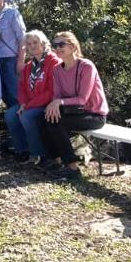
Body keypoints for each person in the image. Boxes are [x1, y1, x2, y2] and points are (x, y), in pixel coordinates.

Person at [41, 31, 108, 180]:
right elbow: (57, 95)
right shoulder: (57, 70)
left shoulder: (86, 66)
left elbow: (83, 99)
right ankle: (55, 161)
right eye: (55, 45)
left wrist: (59, 102)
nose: (58, 48)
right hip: (74, 111)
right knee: (46, 116)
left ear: (72, 46)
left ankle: (72, 168)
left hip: (94, 114)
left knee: (57, 122)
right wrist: (54, 104)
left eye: (61, 44)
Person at [6, 30, 58, 164]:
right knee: (10, 114)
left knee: (27, 116)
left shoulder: (53, 62)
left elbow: (51, 92)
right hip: (29, 103)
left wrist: (27, 106)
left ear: (43, 43)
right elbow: (22, 88)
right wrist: (23, 104)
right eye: (29, 44)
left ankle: (39, 154)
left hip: (47, 103)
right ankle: (22, 150)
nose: (32, 46)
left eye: (35, 42)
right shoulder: (29, 66)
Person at [0, 0, 27, 112]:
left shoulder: (12, 13)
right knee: (4, 95)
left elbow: (22, 37)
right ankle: (14, 125)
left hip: (11, 59)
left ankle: (25, 124)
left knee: (15, 94)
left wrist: (21, 60)